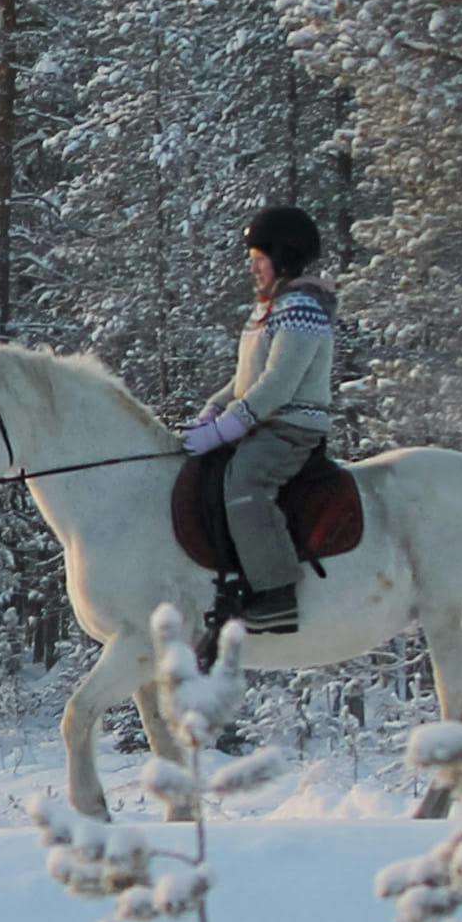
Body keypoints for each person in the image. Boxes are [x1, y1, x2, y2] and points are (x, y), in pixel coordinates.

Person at [182, 203, 338, 635]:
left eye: (258, 260)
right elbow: (242, 382)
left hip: (291, 428)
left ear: (283, 257)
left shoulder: (303, 308)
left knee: (245, 483)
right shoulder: (268, 310)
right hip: (262, 423)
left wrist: (227, 428)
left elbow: (276, 386)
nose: (253, 269)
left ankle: (277, 593)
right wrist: (210, 414)